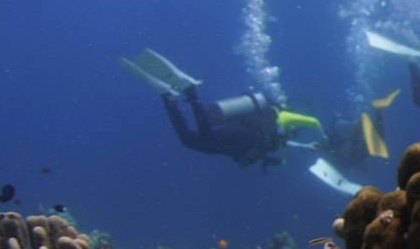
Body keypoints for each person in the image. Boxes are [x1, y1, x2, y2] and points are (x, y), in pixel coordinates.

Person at [121, 49, 323, 168]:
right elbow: (314, 122)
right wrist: (325, 139)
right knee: (205, 134)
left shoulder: (281, 137)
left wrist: (307, 148)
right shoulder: (283, 116)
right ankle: (190, 92)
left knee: (190, 140)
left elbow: (283, 146)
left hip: (239, 145)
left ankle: (167, 97)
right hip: (245, 135)